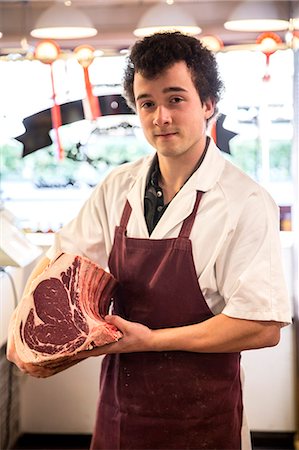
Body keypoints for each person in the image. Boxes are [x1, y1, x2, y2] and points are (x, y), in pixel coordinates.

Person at [7, 32, 291, 450]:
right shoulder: (116, 186)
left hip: (204, 418)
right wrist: (30, 330)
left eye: (176, 99)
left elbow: (262, 326)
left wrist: (152, 340)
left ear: (208, 104)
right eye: (147, 103)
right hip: (121, 412)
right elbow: (63, 264)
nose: (160, 117)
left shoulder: (245, 201)